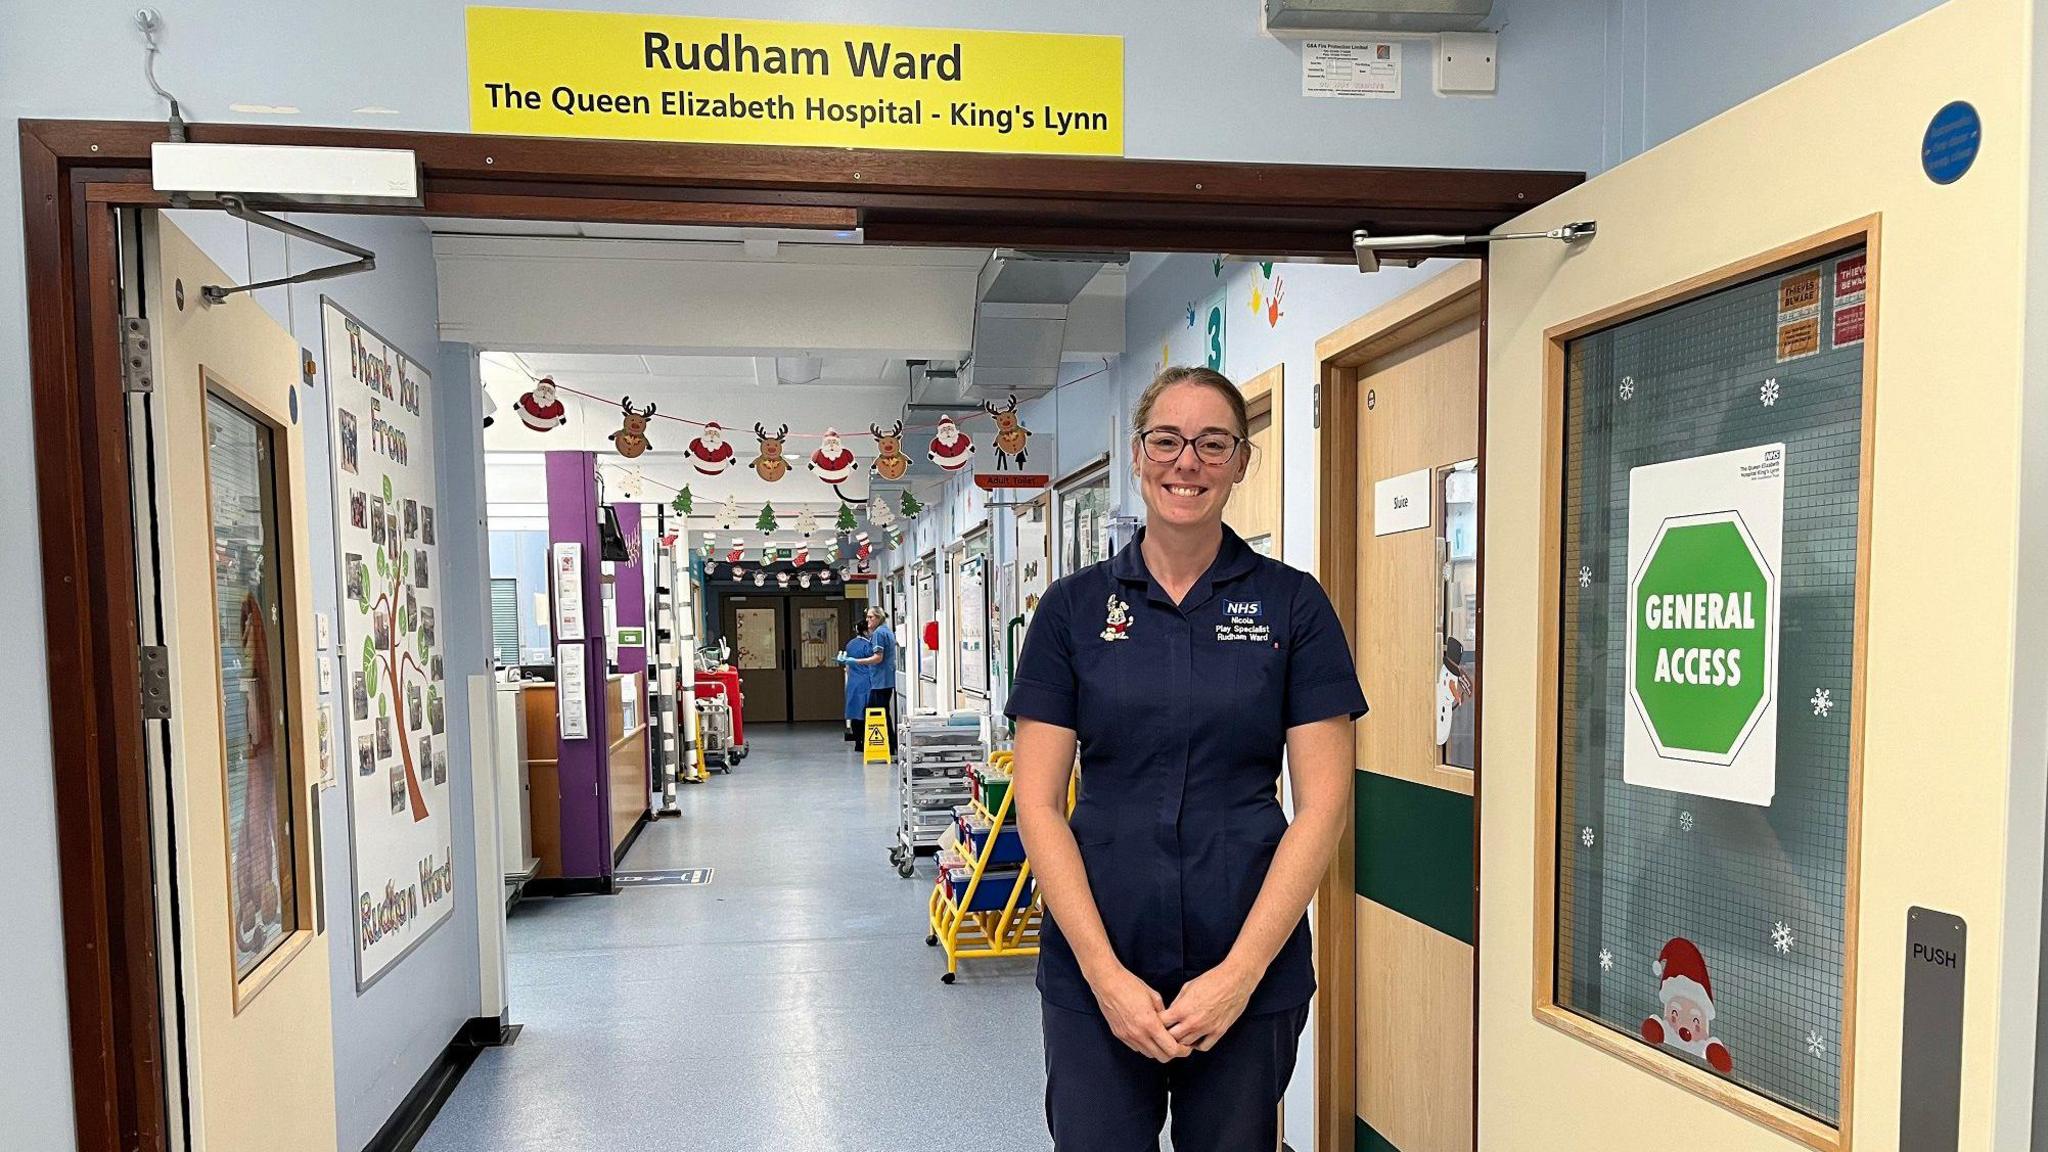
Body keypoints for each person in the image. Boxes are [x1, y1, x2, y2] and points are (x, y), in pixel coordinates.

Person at [1005, 366, 1366, 1152]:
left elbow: (1325, 806)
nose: (1187, 463)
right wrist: (1105, 978)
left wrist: (1236, 980)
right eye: (1167, 441)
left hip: (1247, 965)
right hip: (1097, 964)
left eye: (1213, 444)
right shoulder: (1071, 612)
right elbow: (1038, 804)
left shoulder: (1292, 607)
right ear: (1137, 455)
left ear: (1241, 461)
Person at [855, 606, 897, 736]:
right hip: (885, 680)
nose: (867, 620)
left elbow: (878, 658)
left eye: (870, 617)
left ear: (879, 618)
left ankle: (884, 744)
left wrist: (858, 662)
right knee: (882, 712)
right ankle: (889, 744)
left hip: (880, 681)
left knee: (875, 712)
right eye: (867, 617)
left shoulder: (878, 633)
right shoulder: (888, 631)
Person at [838, 616, 874, 742]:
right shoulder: (868, 646)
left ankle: (858, 742)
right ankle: (866, 741)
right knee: (866, 712)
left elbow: (848, 666)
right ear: (865, 631)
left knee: (855, 712)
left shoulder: (850, 644)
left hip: (853, 682)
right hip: (866, 682)